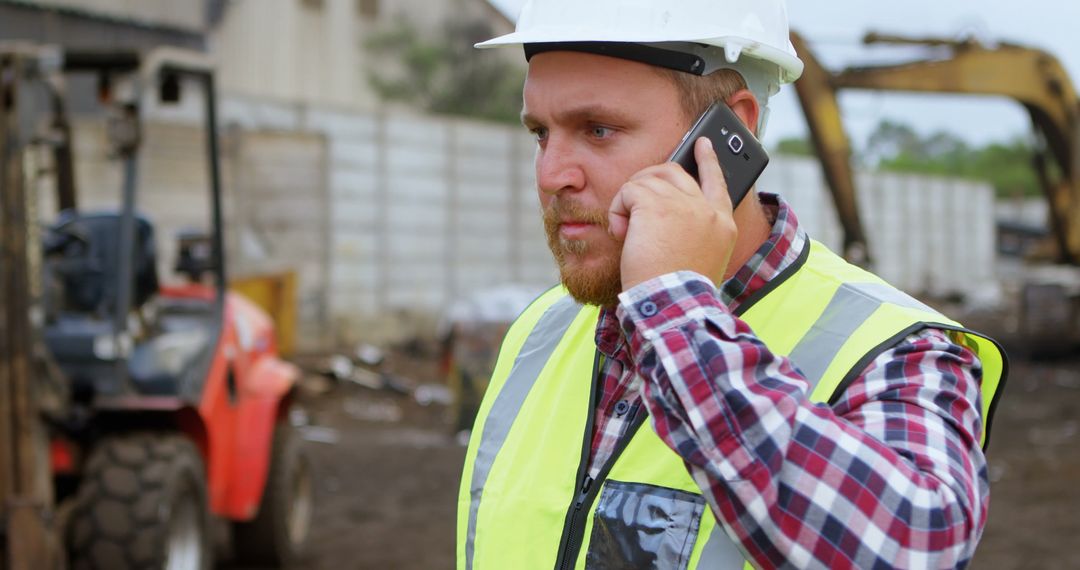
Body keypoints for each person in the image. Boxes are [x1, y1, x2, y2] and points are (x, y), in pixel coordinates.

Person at [457, 1, 1007, 568]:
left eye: (598, 130)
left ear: (728, 132)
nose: (551, 175)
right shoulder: (539, 329)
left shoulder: (897, 349)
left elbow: (917, 548)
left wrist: (676, 313)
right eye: (541, 133)